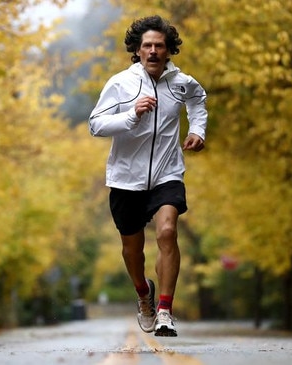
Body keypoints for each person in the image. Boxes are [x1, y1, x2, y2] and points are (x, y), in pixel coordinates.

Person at [88, 15, 207, 337]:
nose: (153, 51)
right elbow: (96, 124)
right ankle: (144, 295)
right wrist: (131, 114)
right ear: (137, 51)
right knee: (133, 250)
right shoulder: (119, 83)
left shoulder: (182, 82)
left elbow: (198, 101)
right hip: (127, 178)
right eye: (147, 46)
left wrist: (197, 130)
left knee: (167, 232)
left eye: (159, 46)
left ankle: (165, 311)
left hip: (168, 172)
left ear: (168, 51)